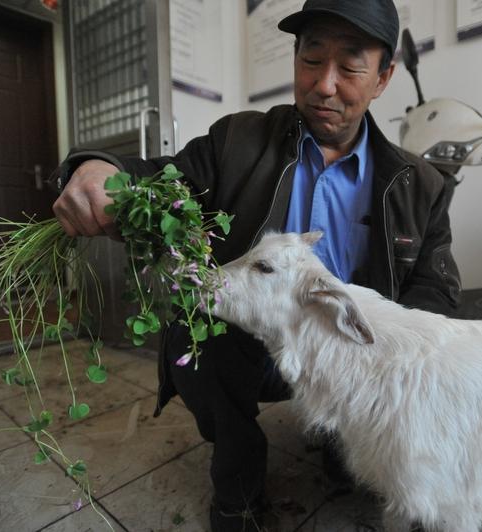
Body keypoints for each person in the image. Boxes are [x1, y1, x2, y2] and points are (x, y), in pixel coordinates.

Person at [52, 0, 461, 529]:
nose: (325, 85)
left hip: (351, 355)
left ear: (382, 78)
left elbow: (435, 288)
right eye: (311, 60)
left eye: (351, 66)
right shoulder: (238, 141)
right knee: (197, 342)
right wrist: (97, 167)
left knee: (372, 447)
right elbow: (155, 176)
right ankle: (238, 482)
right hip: (253, 343)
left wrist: (389, 363)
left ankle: (346, 442)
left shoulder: (421, 185)